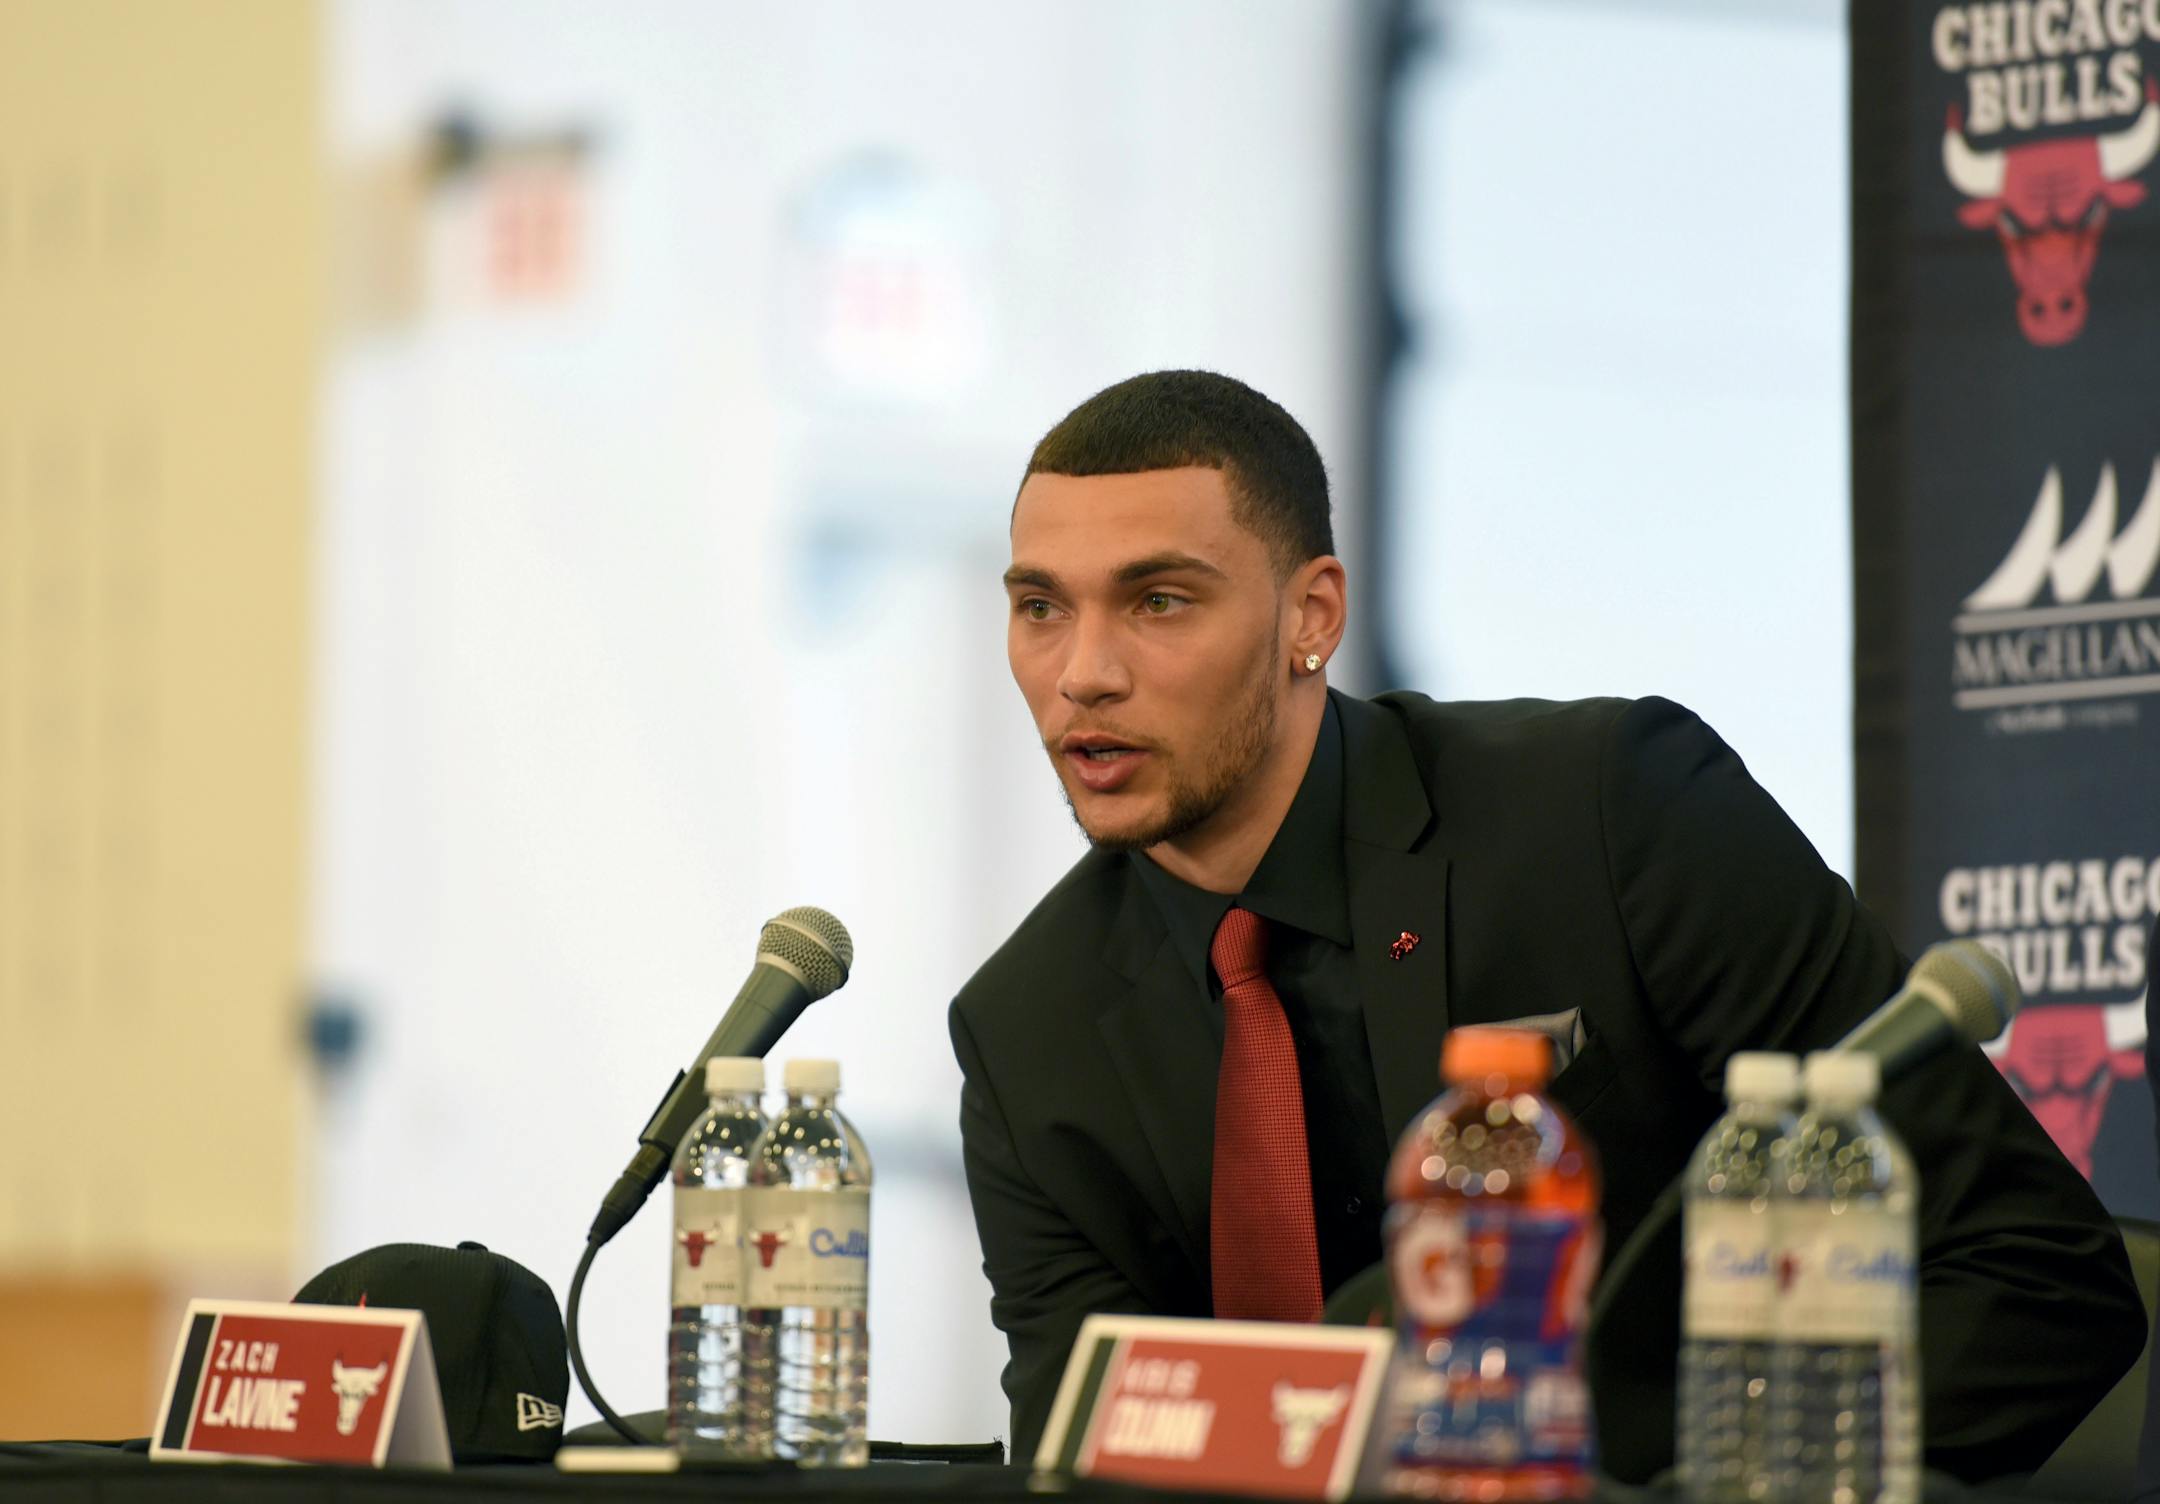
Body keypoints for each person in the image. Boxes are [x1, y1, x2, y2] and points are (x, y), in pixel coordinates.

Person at [948, 369, 2142, 1484]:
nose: (1083, 672)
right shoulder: (1028, 1030)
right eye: (1041, 607)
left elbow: (2030, 1276)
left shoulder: (1613, 813)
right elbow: (1087, 1456)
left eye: (1159, 601)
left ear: (1311, 614)